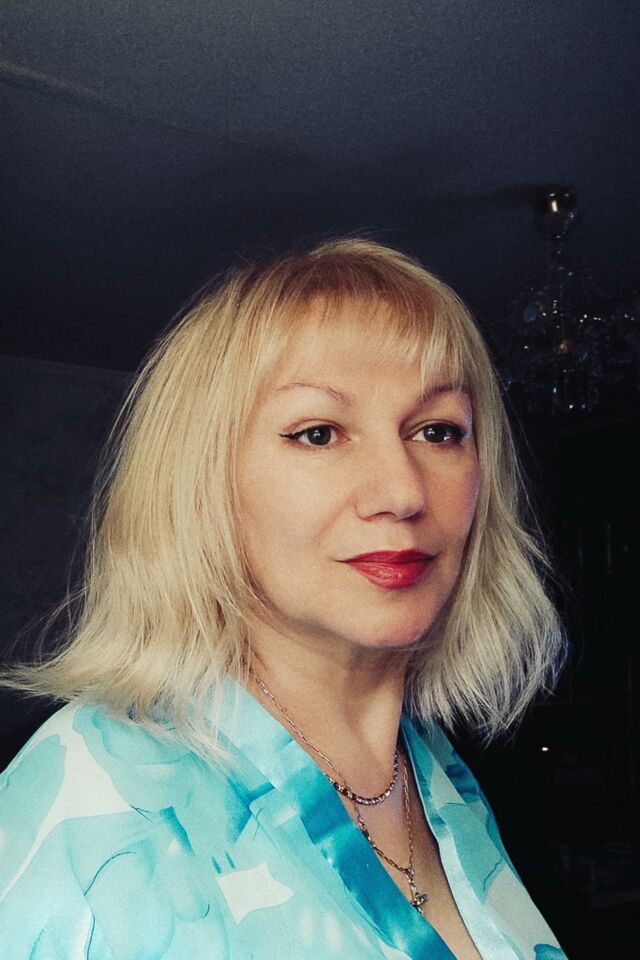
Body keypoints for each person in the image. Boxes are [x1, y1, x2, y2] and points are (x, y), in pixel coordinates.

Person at [0, 238, 568, 959]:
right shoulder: (91, 797)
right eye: (319, 433)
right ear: (202, 486)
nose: (402, 491)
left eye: (438, 431)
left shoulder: (436, 776)